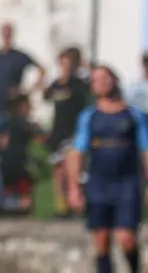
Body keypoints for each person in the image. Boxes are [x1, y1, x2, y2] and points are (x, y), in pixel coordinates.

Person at [69, 66, 147, 273]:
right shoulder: (89, 116)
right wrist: (74, 188)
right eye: (96, 80)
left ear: (115, 80)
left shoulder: (133, 115)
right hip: (99, 185)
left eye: (105, 78)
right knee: (101, 241)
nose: (101, 83)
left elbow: (145, 151)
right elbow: (77, 153)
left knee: (127, 239)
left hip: (127, 184)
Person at [0, 23, 45, 147]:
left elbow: (41, 70)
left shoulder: (19, 56)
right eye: (4, 34)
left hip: (14, 106)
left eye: (8, 34)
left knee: (15, 141)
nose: (6, 37)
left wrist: (28, 90)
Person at [43, 46, 91, 218]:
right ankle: (61, 205)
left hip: (73, 131)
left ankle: (76, 202)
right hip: (57, 131)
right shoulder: (56, 83)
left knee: (70, 168)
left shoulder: (80, 84)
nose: (66, 67)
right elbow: (45, 96)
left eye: (69, 64)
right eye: (63, 63)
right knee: (58, 170)